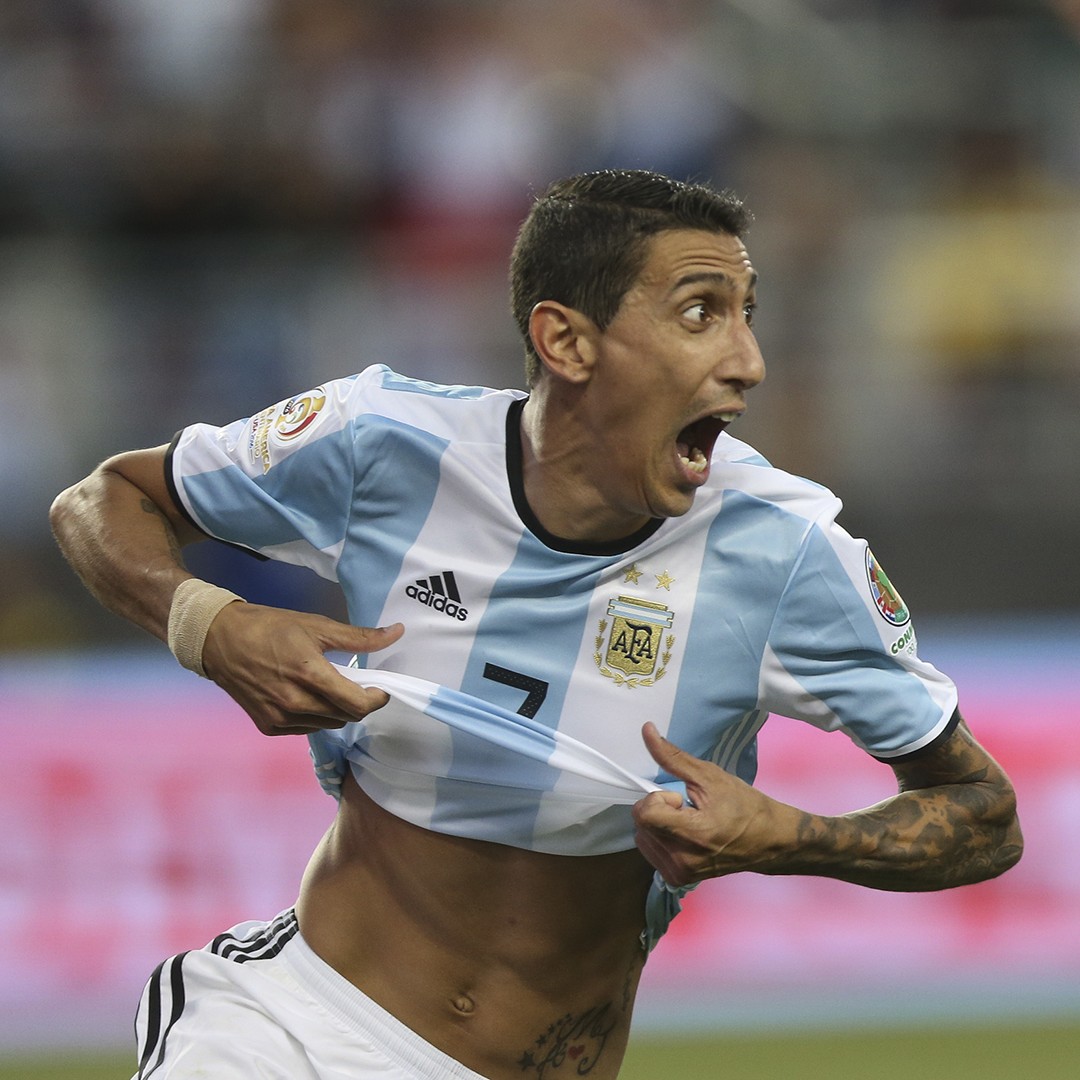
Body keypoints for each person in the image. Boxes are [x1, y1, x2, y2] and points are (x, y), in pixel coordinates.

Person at [50, 169, 1022, 1080]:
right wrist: (208, 622)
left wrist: (790, 838)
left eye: (748, 316)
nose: (749, 362)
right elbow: (103, 500)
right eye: (700, 313)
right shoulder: (385, 443)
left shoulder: (785, 552)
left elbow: (984, 818)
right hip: (293, 1030)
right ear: (567, 341)